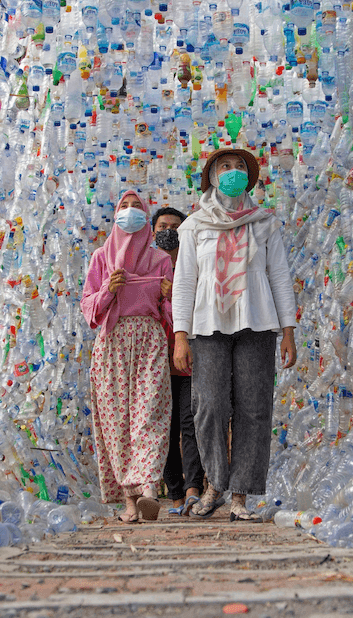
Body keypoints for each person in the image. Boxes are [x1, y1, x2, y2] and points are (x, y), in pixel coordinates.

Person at [172, 148, 298, 522]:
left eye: (239, 166)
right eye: (224, 166)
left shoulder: (264, 223)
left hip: (257, 322)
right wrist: (181, 335)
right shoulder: (195, 225)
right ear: (211, 176)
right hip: (208, 325)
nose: (232, 171)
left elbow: (279, 276)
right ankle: (214, 484)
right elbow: (184, 283)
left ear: (249, 176)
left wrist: (288, 329)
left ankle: (240, 495)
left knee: (254, 408)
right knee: (209, 405)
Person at [81, 191, 174, 522]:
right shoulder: (101, 259)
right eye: (124, 207)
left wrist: (169, 295)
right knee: (117, 423)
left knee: (150, 413)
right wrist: (109, 289)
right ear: (115, 214)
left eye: (137, 207)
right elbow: (89, 310)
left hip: (149, 340)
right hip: (112, 344)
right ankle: (130, 502)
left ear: (146, 218)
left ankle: (149, 488)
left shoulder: (160, 261)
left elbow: (173, 316)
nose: (130, 212)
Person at [152, 206, 206, 516]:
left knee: (190, 423)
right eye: (163, 225)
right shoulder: (145, 266)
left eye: (175, 225)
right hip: (155, 364)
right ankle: (174, 494)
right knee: (164, 429)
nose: (169, 230)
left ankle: (193, 489)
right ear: (153, 230)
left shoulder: (195, 264)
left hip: (189, 359)